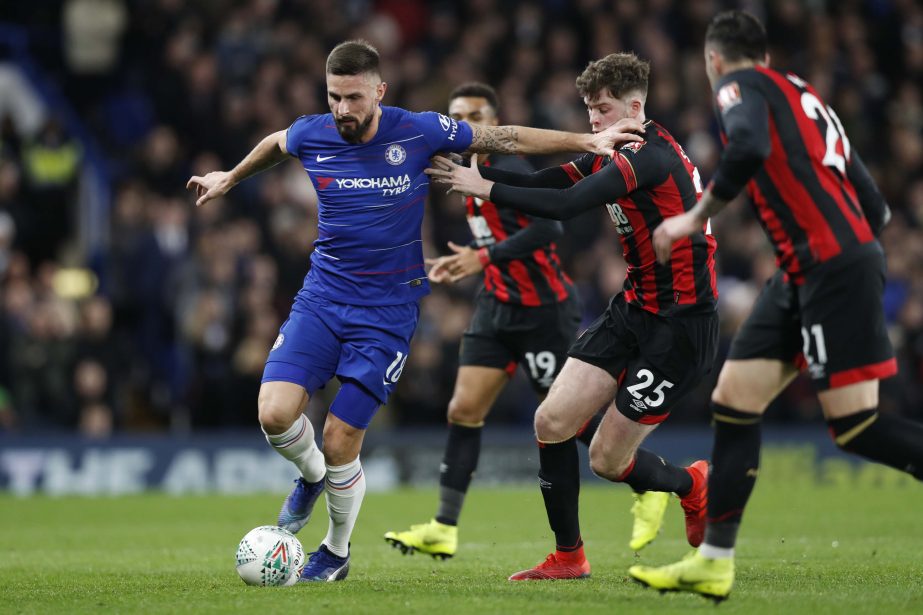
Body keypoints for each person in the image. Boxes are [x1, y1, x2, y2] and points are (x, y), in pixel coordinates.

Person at [186, 40, 641, 583]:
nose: (342, 109)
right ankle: (310, 478)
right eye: (333, 97)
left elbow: (506, 136)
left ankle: (334, 552)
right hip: (322, 298)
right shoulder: (314, 132)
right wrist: (230, 178)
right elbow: (275, 142)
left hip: (388, 310)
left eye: (353, 98)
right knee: (274, 415)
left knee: (339, 439)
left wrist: (587, 140)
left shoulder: (420, 130)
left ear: (379, 91)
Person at [628, 10, 910, 602]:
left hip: (828, 268)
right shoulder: (804, 94)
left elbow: (749, 144)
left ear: (713, 60)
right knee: (735, 400)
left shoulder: (739, 86)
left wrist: (691, 218)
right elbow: (875, 206)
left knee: (857, 426)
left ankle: (714, 557)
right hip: (808, 270)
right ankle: (714, 561)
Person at [427, 52, 719, 581]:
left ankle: (693, 485)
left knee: (607, 461)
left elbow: (568, 206)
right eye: (588, 110)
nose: (593, 123)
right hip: (634, 308)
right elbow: (557, 180)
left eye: (602, 110)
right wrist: (489, 175)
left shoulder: (649, 156)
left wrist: (486, 189)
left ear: (634, 106)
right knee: (552, 421)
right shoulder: (612, 149)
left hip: (682, 322)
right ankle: (569, 556)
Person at [383, 82, 595, 560]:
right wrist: (471, 259)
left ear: (495, 123)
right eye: (458, 116)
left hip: (544, 311)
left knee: (572, 424)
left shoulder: (511, 167)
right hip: (497, 308)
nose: (467, 125)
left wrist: (484, 256)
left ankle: (648, 482)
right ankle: (444, 526)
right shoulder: (463, 171)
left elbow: (549, 228)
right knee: (463, 409)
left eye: (476, 115)